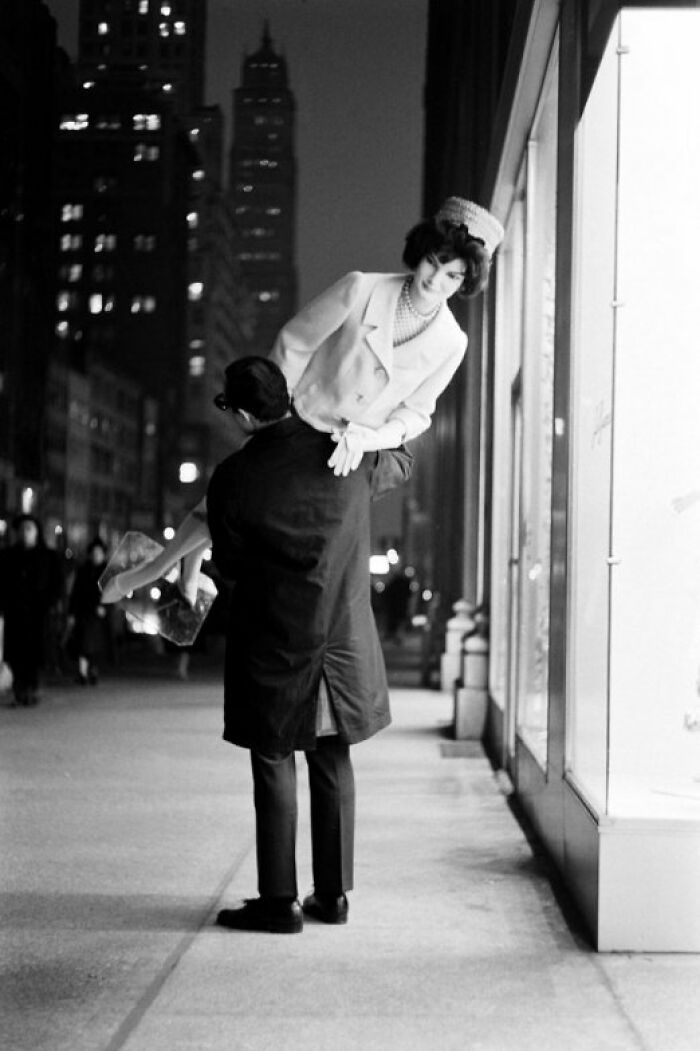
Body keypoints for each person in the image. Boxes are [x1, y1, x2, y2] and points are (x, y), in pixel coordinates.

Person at [99, 196, 503, 604]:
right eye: (434, 261)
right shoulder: (361, 287)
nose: (436, 281)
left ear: (465, 283)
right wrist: (276, 416)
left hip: (346, 454)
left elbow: (417, 413)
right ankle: (150, 573)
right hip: (297, 421)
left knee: (241, 506)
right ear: (421, 251)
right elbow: (295, 342)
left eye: (453, 276)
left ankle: (175, 569)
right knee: (231, 496)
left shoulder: (454, 342)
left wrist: (369, 439)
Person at [206, 356, 413, 933]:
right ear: (291, 396)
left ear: (246, 415)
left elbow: (228, 566)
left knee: (273, 760)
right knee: (331, 757)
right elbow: (401, 458)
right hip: (340, 644)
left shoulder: (233, 478)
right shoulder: (343, 453)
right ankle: (332, 896)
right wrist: (368, 425)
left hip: (273, 643)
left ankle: (278, 902)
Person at [0, 514, 63, 706]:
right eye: (22, 529)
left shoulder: (48, 556)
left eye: (29, 528)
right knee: (15, 653)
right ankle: (19, 689)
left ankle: (32, 688)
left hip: (38, 613)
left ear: (36, 532)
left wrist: (49, 603)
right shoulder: (8, 555)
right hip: (15, 612)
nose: (25, 533)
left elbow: (56, 584)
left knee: (35, 654)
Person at [66, 538, 111, 686]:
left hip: (98, 614)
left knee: (95, 646)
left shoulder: (107, 572)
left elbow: (113, 593)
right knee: (83, 644)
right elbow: (75, 593)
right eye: (94, 553)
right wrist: (71, 613)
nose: (96, 556)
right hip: (83, 612)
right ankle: (83, 673)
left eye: (99, 553)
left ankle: (92, 670)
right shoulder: (83, 570)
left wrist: (105, 607)